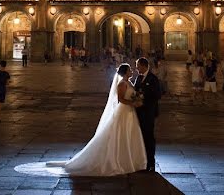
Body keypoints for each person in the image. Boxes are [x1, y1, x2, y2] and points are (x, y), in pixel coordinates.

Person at [19, 63, 148, 176]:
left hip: (130, 113)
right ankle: (119, 161)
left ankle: (128, 160)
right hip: (124, 111)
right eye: (130, 70)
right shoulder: (121, 84)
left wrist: (136, 99)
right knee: (120, 134)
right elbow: (121, 100)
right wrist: (134, 103)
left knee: (128, 135)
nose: (132, 71)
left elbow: (132, 95)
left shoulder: (130, 82)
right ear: (125, 72)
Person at [133, 57, 161, 172]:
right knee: (141, 137)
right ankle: (142, 161)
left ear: (144, 66)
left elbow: (157, 94)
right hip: (139, 112)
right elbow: (135, 91)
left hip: (149, 112)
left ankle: (151, 162)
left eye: (138, 66)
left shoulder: (153, 78)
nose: (136, 68)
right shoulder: (138, 78)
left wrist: (143, 97)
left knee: (149, 136)